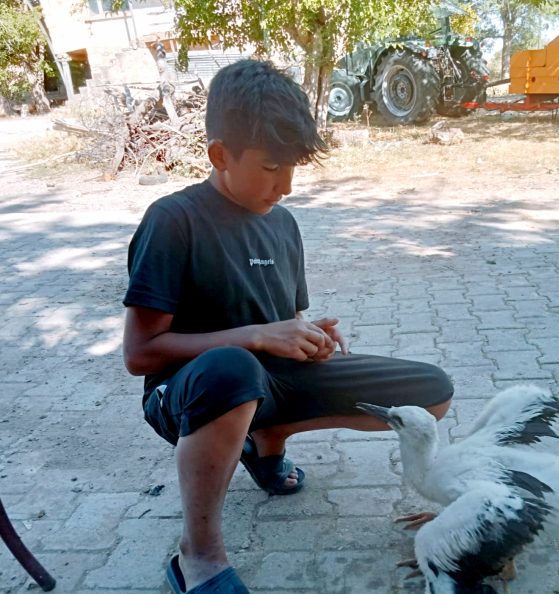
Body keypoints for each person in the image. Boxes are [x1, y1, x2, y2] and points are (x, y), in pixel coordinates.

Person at [121, 59, 453, 594]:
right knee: (233, 370)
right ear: (220, 155)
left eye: (294, 167)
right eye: (273, 168)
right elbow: (140, 355)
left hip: (266, 384)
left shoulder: (283, 223)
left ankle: (267, 438)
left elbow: (283, 319)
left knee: (429, 393)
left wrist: (306, 335)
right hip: (188, 394)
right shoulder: (173, 220)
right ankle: (197, 555)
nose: (288, 186)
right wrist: (254, 336)